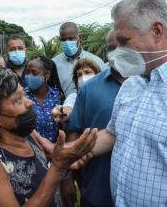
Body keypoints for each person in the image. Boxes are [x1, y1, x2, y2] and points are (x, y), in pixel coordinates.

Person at [88, 0, 167, 206]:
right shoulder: (132, 83)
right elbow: (112, 134)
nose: (117, 52)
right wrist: (76, 150)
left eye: (124, 41)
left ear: (157, 31)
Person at [0, 65, 97, 207]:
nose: (29, 102)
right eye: (18, 100)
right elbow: (57, 165)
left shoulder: (27, 133)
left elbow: (54, 151)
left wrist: (72, 154)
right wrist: (58, 168)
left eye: (24, 95)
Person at [61, 29, 120, 207]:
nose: (118, 52)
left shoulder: (145, 84)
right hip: (96, 189)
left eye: (124, 45)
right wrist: (68, 178)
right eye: (112, 48)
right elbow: (74, 132)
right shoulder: (90, 89)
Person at [52, 22, 106, 98]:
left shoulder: (96, 61)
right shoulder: (54, 64)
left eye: (71, 38)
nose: (67, 42)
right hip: (65, 108)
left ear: (80, 37)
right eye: (63, 39)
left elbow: (105, 87)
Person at [25, 55, 63, 143]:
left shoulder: (57, 96)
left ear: (47, 75)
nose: (29, 76)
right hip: (31, 151)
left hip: (54, 151)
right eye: (27, 72)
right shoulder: (22, 96)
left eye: (34, 73)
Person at [52, 58, 101, 123]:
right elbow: (68, 107)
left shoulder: (107, 93)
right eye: (79, 75)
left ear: (97, 74)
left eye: (87, 72)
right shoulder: (74, 97)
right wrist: (63, 111)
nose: (83, 77)